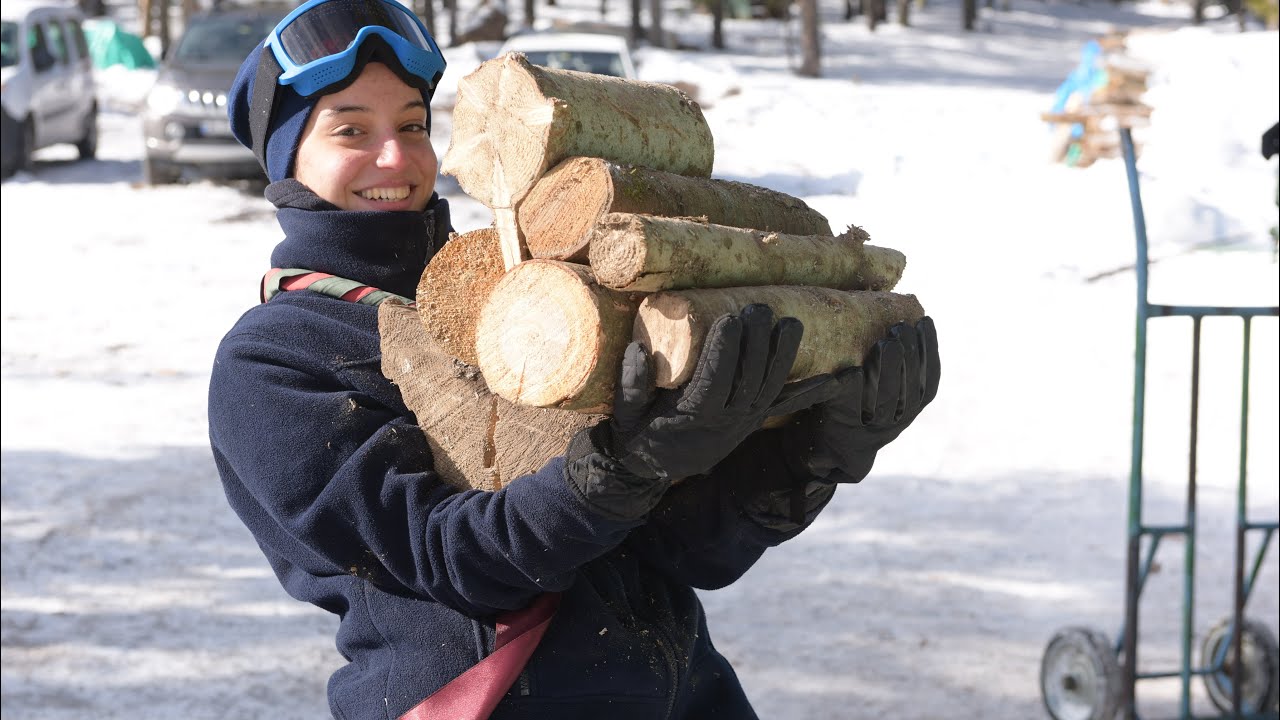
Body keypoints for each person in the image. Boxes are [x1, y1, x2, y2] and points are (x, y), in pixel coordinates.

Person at [207, 1, 941, 717]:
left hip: (683, 692)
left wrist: (812, 457)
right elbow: (447, 557)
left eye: (411, 124)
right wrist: (616, 471)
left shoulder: (521, 291)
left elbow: (689, 556)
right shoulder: (273, 361)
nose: (395, 156)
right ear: (289, 160)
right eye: (350, 131)